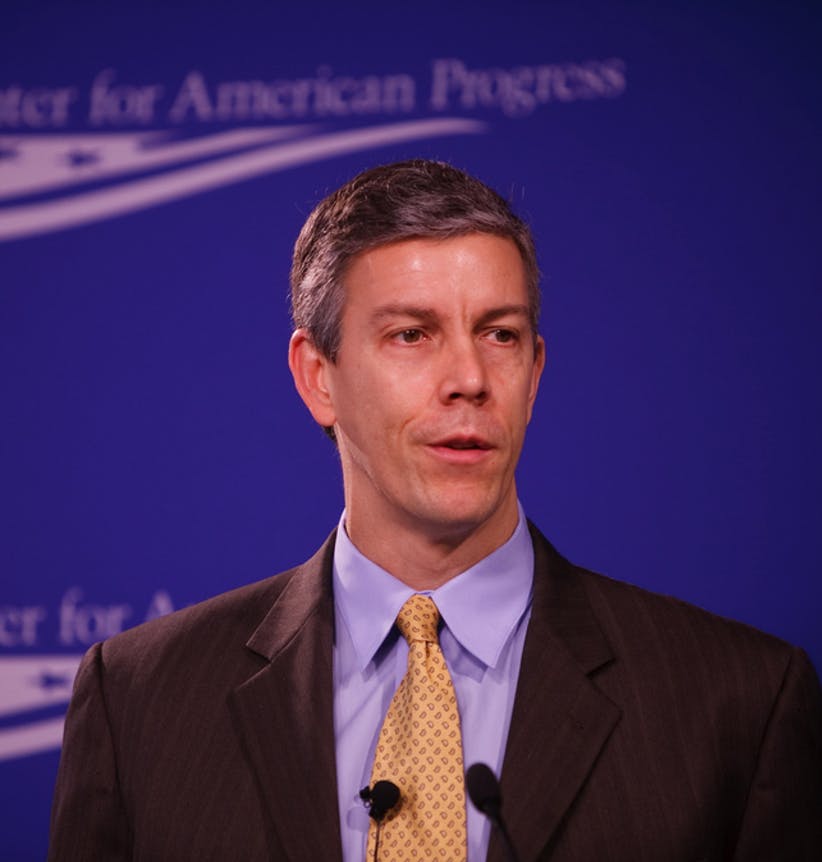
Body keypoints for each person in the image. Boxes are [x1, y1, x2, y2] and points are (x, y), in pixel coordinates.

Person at [48, 160, 822, 861]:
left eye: (500, 334)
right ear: (318, 377)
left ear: (535, 373)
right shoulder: (140, 699)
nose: (470, 379)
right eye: (412, 334)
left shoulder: (738, 703)